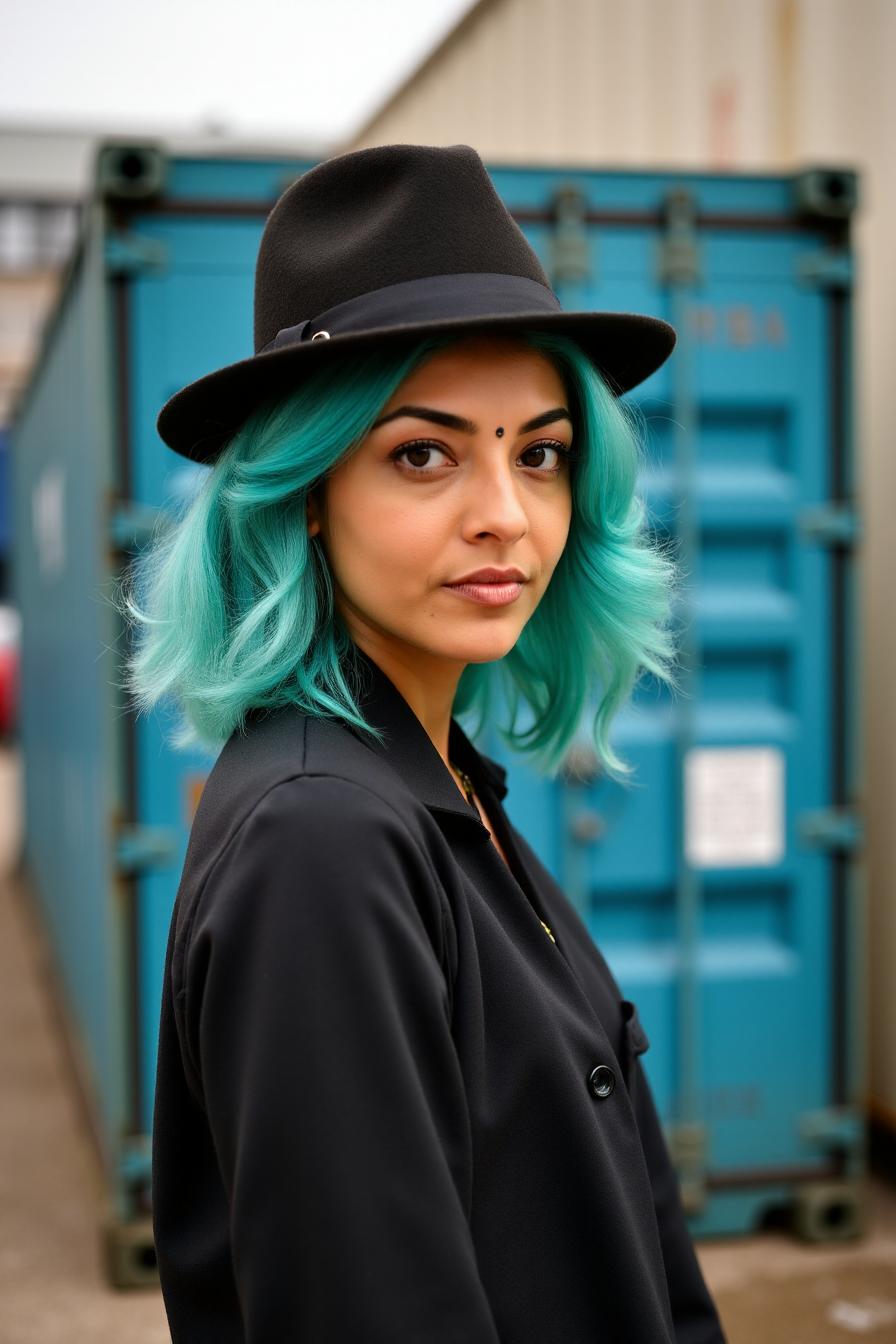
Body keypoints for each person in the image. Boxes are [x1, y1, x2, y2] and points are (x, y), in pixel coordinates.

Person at [123, 143, 727, 1342]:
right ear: (304, 491)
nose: (504, 512)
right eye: (423, 453)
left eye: (539, 453)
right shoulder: (321, 841)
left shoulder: (438, 782)